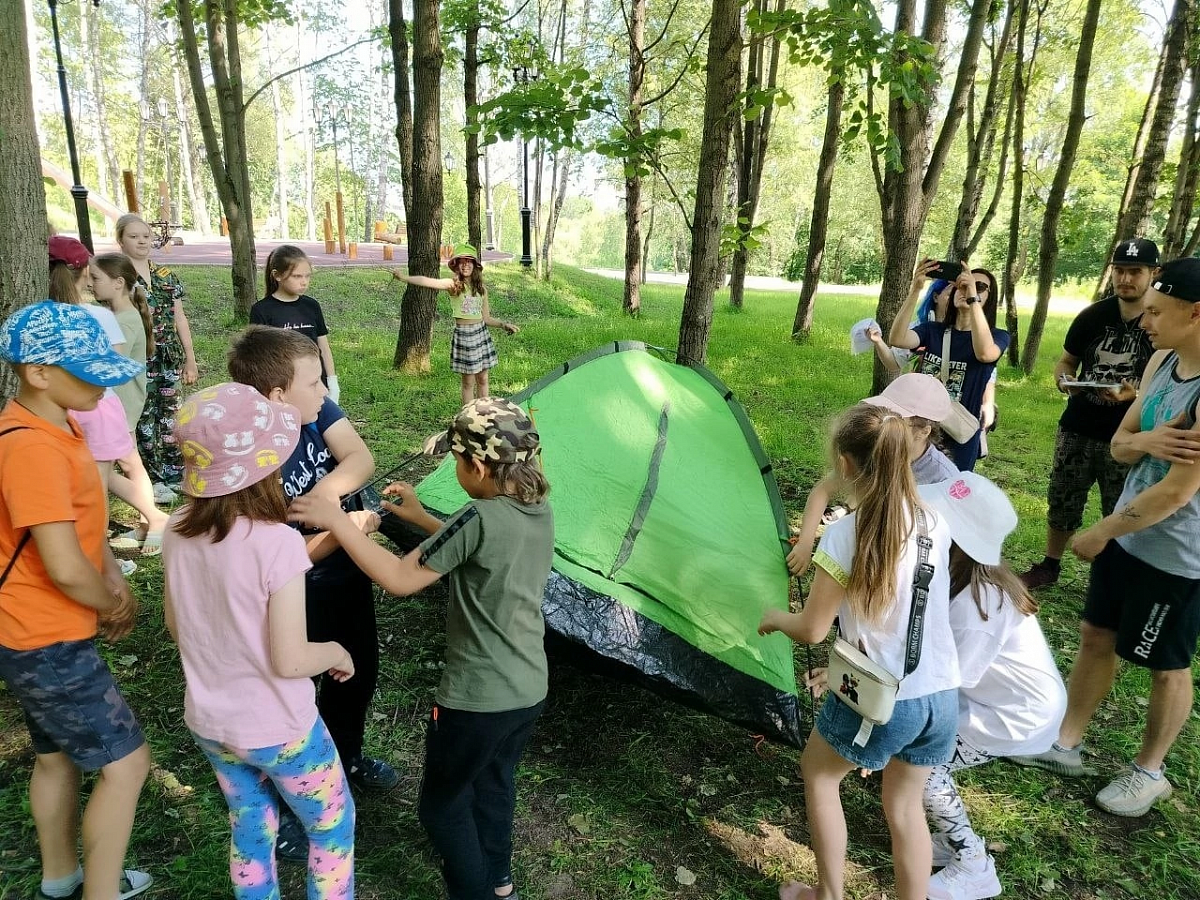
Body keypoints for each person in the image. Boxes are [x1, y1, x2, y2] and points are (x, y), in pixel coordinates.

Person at [289, 397, 553, 900]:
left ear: (475, 466)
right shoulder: (535, 506)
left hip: (477, 699)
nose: (455, 470)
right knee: (495, 787)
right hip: (527, 688)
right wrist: (418, 517)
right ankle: (500, 884)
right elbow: (481, 549)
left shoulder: (476, 517)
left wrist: (337, 520)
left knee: (443, 805)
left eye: (455, 462)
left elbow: (397, 578)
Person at [1013, 256, 1200, 817]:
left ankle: (1150, 772)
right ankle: (1064, 743)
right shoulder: (1163, 362)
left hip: (1178, 554)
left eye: (1157, 312)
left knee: (1167, 663)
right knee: (1096, 634)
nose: (1145, 322)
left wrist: (1100, 530)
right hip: (1129, 535)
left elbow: (1176, 493)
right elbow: (1120, 443)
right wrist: (1149, 442)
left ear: (1196, 314)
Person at [163, 382, 356, 900]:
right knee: (331, 828)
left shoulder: (176, 529)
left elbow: (179, 626)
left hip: (212, 724)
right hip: (282, 729)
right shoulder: (277, 544)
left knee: (250, 824)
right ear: (266, 463)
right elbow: (291, 658)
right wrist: (336, 651)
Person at [758, 404, 960, 900]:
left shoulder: (847, 533)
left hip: (887, 698)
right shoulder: (934, 520)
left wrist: (773, 617)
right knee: (904, 806)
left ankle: (827, 895)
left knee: (820, 775)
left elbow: (811, 629)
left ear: (846, 466)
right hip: (942, 696)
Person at [0, 301, 151, 900]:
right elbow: (62, 566)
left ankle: (62, 878)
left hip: (45, 629)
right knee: (128, 764)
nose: (102, 384)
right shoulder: (30, 447)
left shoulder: (60, 423)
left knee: (57, 758)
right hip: (45, 636)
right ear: (37, 371)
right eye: (87, 372)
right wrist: (111, 604)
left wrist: (111, 582)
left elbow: (84, 528)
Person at [227, 326, 392, 860]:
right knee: (296, 693)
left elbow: (359, 459)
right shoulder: (245, 454)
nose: (325, 393)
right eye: (315, 383)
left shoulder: (316, 413)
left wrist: (325, 502)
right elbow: (278, 557)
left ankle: (346, 759)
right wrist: (342, 528)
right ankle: (299, 800)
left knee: (357, 670)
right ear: (276, 396)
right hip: (293, 587)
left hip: (343, 570)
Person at [920, 473, 1066, 900]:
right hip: (991, 701)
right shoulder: (960, 579)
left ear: (956, 540)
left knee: (924, 765)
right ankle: (951, 847)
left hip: (1012, 716)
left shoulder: (978, 606)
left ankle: (973, 864)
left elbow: (943, 688)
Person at [1020, 238, 1159, 589]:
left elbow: (1171, 376)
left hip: (1129, 434)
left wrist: (1136, 394)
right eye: (1120, 271)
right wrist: (1064, 380)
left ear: (1153, 273)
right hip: (1079, 426)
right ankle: (1050, 565)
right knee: (1063, 495)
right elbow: (1066, 361)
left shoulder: (1160, 321)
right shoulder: (1093, 316)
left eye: (1135, 272)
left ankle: (1111, 574)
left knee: (1121, 504)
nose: (1125, 279)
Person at [786, 373, 958, 578]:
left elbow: (948, 551)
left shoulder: (945, 480)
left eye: (898, 420)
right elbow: (823, 490)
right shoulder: (877, 446)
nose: (886, 424)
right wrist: (805, 543)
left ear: (924, 431)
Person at [48, 238, 141, 577]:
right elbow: (114, 363)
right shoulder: (99, 315)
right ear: (85, 272)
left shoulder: (38, 316)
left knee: (63, 490)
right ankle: (99, 564)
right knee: (95, 493)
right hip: (99, 408)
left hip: (57, 410)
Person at [888, 260, 1009, 471]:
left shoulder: (998, 336)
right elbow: (897, 338)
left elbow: (984, 354)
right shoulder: (932, 330)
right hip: (919, 430)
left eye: (978, 286)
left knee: (948, 498)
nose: (966, 289)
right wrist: (915, 290)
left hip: (959, 436)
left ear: (989, 299)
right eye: (960, 285)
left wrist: (973, 298)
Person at [89, 252, 171, 558]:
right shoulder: (121, 316)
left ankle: (155, 517)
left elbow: (110, 364)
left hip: (118, 406)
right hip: (120, 405)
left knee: (109, 470)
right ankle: (148, 520)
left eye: (96, 278)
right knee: (129, 465)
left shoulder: (123, 321)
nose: (91, 284)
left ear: (118, 283)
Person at [114, 213, 200, 502]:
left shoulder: (165, 275)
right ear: (121, 241)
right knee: (144, 417)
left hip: (168, 357)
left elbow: (180, 318)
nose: (141, 241)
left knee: (172, 416)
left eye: (145, 235)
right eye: (133, 236)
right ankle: (151, 478)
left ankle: (175, 472)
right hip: (140, 359)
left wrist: (190, 358)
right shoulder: (118, 279)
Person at [391, 246, 519, 405]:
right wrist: (404, 278)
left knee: (483, 379)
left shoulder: (481, 289)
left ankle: (484, 413)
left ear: (475, 265)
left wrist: (503, 324)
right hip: (465, 336)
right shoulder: (453, 285)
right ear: (457, 266)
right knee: (468, 383)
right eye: (462, 262)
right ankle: (468, 417)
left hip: (481, 334)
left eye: (469, 262)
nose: (465, 265)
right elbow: (428, 281)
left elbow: (486, 318)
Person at [250, 245, 341, 403]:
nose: (304, 282)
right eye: (297, 276)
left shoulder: (312, 306)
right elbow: (259, 357)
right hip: (283, 387)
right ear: (277, 275)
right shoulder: (261, 310)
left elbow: (324, 347)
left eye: (307, 276)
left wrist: (332, 382)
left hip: (316, 382)